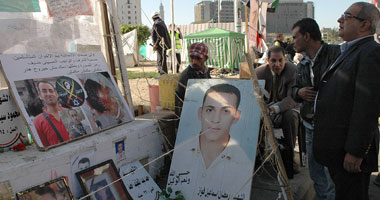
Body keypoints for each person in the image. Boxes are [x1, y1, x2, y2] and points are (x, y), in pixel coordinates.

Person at [313, 2, 380, 200]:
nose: (339, 20)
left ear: (364, 25)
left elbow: (367, 107)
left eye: (347, 16)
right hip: (338, 151)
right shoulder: (350, 50)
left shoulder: (370, 52)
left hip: (349, 156)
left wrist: (356, 152)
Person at [168, 83, 253, 199]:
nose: (215, 119)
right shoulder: (180, 153)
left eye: (226, 111)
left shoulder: (244, 165)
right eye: (210, 110)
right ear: (200, 113)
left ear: (236, 116)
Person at [291, 18, 340, 200]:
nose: (292, 41)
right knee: (317, 174)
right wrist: (300, 92)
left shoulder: (337, 55)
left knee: (333, 175)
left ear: (307, 36)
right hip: (311, 127)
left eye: (295, 37)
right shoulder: (302, 64)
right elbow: (294, 90)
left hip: (333, 128)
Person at [255, 45, 299, 179]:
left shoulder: (293, 71)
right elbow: (254, 96)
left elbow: (293, 98)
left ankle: (288, 159)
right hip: (266, 108)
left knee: (290, 117)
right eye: (273, 61)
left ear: (285, 59)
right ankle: (257, 155)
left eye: (280, 60)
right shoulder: (259, 73)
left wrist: (274, 109)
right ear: (268, 61)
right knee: (252, 117)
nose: (277, 64)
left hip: (288, 107)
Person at [175, 42, 211, 120]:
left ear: (205, 58)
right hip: (188, 116)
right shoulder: (187, 76)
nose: (194, 61)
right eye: (192, 57)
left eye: (198, 58)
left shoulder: (206, 71)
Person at [33, 81, 70, 147]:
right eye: (44, 91)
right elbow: (45, 147)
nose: (48, 94)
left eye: (51, 91)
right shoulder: (37, 121)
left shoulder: (69, 112)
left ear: (56, 94)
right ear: (40, 95)